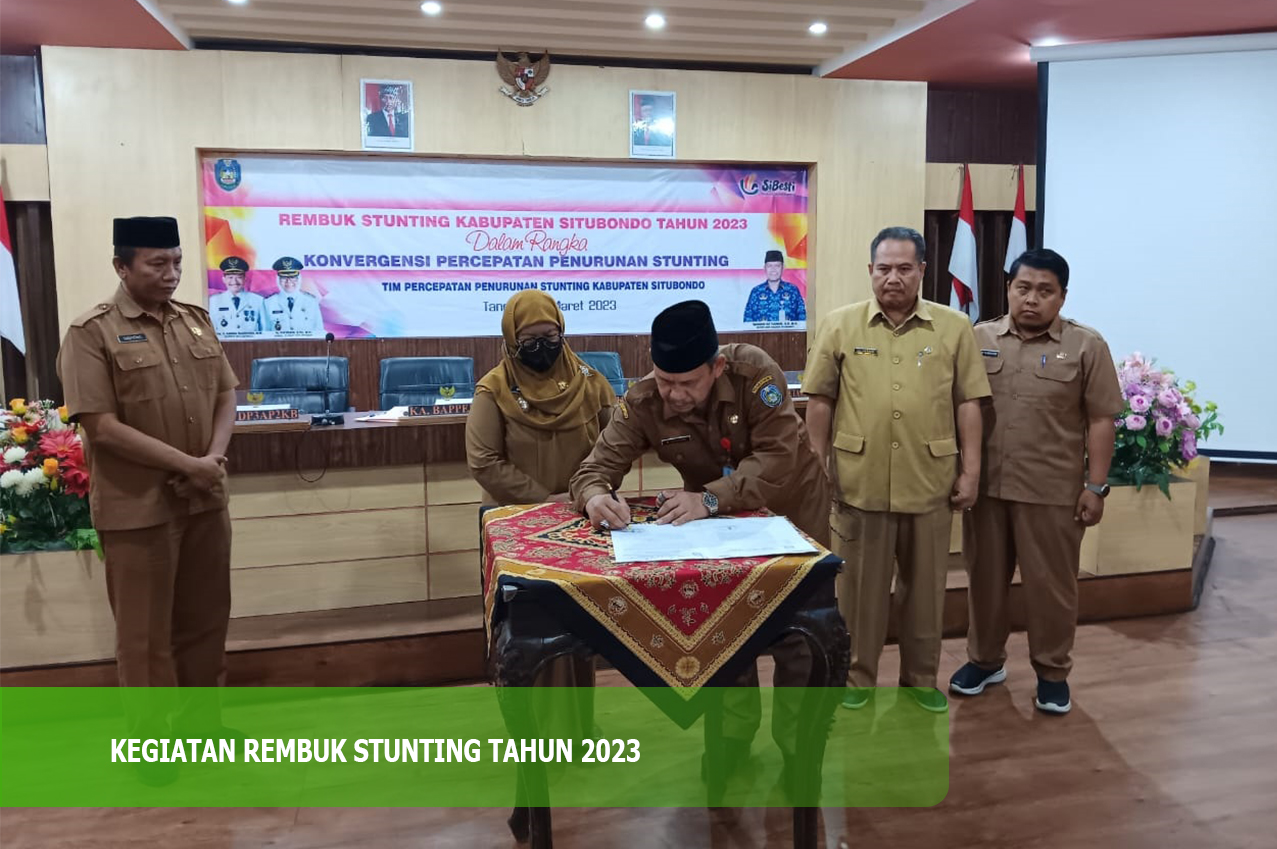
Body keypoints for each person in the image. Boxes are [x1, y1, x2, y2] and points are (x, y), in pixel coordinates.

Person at [570, 299, 830, 771]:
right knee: (728, 628)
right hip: (716, 528)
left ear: (717, 367)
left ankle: (799, 749)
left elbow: (778, 460)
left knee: (798, 634)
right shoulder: (645, 400)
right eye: (664, 380)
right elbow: (594, 468)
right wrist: (594, 497)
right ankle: (732, 742)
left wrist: (709, 498)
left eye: (687, 383)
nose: (673, 394)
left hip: (791, 512)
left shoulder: (756, 375)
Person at [56, 216, 238, 755]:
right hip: (137, 509)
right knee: (145, 635)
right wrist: (189, 464)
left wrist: (211, 459)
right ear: (122, 266)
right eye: (157, 263)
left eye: (176, 262)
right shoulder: (91, 332)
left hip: (204, 499)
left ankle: (202, 728)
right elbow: (101, 427)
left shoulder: (195, 321)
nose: (171, 273)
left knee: (205, 622)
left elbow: (226, 394)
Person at [803, 226, 990, 713]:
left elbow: (968, 402)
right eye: (884, 268)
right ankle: (856, 679)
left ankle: (920, 680)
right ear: (870, 271)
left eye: (904, 268)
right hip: (858, 480)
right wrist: (817, 464)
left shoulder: (954, 327)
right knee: (858, 594)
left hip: (931, 480)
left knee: (925, 592)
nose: (893, 278)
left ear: (922, 271)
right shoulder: (840, 325)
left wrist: (971, 471)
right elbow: (820, 400)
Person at [949, 248, 1124, 715]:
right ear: (1009, 288)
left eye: (1045, 291)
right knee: (984, 582)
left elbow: (1101, 419)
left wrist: (1096, 486)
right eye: (1023, 288)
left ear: (1062, 296)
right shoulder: (978, 337)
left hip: (1052, 492)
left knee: (1051, 589)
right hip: (987, 489)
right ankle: (985, 661)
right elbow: (958, 406)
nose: (1031, 299)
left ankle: (1052, 673)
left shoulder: (1086, 346)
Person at [466, 289, 617, 736]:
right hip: (517, 528)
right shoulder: (493, 390)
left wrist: (593, 492)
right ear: (511, 342)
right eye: (529, 341)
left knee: (575, 630)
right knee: (528, 633)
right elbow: (483, 461)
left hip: (577, 523)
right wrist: (542, 500)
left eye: (550, 337)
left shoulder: (590, 382)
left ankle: (577, 730)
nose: (542, 348)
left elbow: (616, 446)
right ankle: (535, 736)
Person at [264, 256, 324, 337]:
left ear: (299, 278)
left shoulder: (311, 302)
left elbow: (319, 332)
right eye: (284, 277)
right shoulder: (268, 303)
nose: (288, 281)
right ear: (278, 279)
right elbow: (264, 333)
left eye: (292, 277)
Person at [743, 249, 807, 324]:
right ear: (764, 268)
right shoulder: (756, 292)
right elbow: (747, 320)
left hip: (788, 332)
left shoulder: (793, 290)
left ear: (783, 268)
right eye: (769, 266)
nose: (773, 270)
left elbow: (802, 318)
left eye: (777, 266)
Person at [208, 256, 265, 336]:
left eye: (239, 277)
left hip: (252, 343)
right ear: (224, 279)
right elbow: (211, 330)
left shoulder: (258, 300)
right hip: (224, 343)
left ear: (245, 279)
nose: (234, 281)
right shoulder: (214, 301)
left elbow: (265, 329)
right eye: (230, 277)